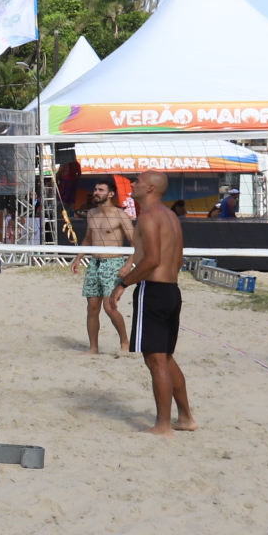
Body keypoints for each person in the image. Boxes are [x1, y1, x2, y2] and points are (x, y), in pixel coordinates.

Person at [116, 170, 192, 434]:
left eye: (136, 181)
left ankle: (162, 425)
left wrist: (123, 285)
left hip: (155, 291)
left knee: (156, 361)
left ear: (149, 188)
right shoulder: (171, 216)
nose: (132, 184)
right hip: (172, 291)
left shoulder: (149, 216)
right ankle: (185, 417)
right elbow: (178, 260)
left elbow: (152, 260)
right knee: (166, 358)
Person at [73, 179, 133, 356]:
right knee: (92, 307)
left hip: (113, 263)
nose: (96, 192)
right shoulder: (91, 213)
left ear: (111, 194)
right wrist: (78, 258)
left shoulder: (120, 215)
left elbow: (136, 242)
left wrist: (128, 264)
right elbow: (88, 238)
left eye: (100, 189)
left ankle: (124, 342)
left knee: (110, 307)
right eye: (95, 188)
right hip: (94, 263)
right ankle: (93, 348)